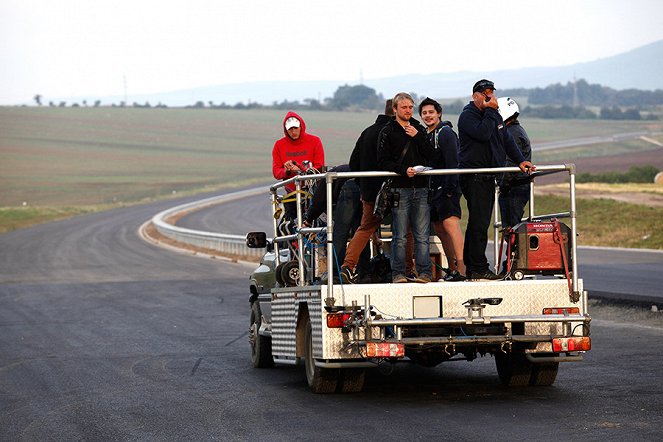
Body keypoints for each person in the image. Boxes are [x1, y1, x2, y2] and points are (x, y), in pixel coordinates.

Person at [458, 80, 535, 281]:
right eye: (485, 94)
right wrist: (492, 111)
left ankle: (473, 265)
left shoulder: (493, 117)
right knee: (479, 223)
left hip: (487, 176)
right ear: (474, 95)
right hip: (474, 176)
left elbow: (506, 139)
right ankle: (478, 267)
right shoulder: (468, 115)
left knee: (478, 222)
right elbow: (483, 134)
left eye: (491, 94)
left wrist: (520, 160)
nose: (489, 98)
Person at [377, 92, 436, 283]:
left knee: (422, 235)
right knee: (400, 236)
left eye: (411, 107)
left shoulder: (419, 128)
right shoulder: (387, 131)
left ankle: (425, 273)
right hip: (400, 188)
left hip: (420, 188)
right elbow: (382, 161)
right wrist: (403, 170)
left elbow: (431, 154)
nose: (408, 111)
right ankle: (398, 273)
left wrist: (418, 136)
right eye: (404, 107)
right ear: (395, 110)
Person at [338, 100, 394, 284]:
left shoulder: (367, 132)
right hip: (394, 190)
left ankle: (347, 266)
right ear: (396, 111)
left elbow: (353, 163)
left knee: (364, 228)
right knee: (405, 230)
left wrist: (364, 184)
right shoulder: (395, 131)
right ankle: (406, 270)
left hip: (369, 191)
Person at [418, 97, 466, 281]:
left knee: (450, 225)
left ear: (439, 113)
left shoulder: (445, 133)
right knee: (439, 228)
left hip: (447, 186)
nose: (428, 116)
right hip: (433, 189)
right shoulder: (426, 134)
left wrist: (450, 188)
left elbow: (453, 162)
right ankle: (452, 268)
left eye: (431, 112)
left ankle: (461, 268)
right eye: (424, 113)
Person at [301, 164, 369, 271]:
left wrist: (308, 220)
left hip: (349, 189)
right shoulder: (340, 171)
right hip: (365, 186)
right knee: (362, 232)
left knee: (340, 233)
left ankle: (336, 273)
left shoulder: (327, 179)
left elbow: (318, 202)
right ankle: (365, 272)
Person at [497, 97, 533, 274]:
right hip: (515, 185)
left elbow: (510, 163)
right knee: (512, 227)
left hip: (513, 187)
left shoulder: (512, 133)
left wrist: (500, 183)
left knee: (512, 228)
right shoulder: (515, 130)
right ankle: (511, 264)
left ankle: (513, 266)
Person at [271, 111, 325, 220]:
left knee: (316, 221)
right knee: (289, 226)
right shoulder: (279, 145)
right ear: (286, 130)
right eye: (290, 129)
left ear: (301, 126)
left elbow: (319, 166)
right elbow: (276, 172)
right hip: (292, 194)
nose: (293, 131)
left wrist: (299, 169)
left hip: (313, 193)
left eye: (296, 128)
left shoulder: (314, 141)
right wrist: (287, 171)